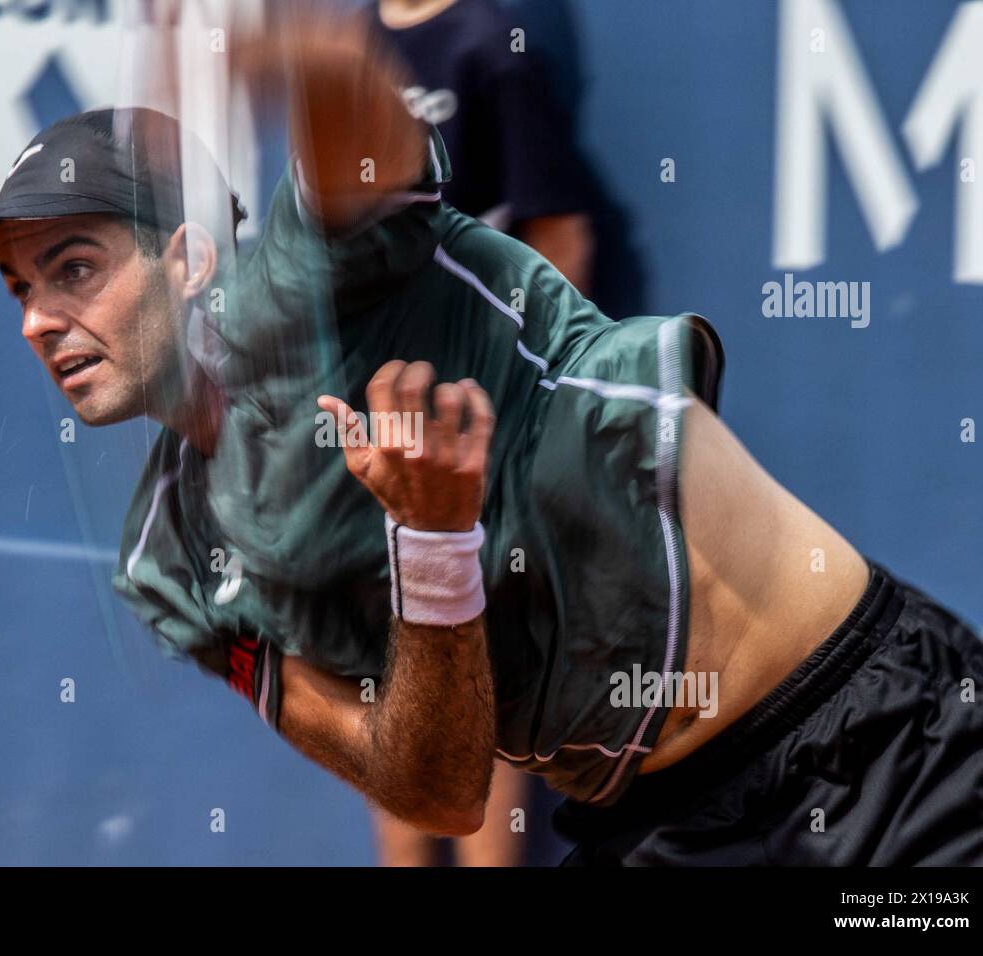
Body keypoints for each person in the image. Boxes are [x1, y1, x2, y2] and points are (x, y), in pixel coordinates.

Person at [0, 19, 983, 865]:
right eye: (21, 288)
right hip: (652, 828)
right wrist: (433, 550)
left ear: (192, 260)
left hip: (874, 739)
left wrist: (280, 42)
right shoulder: (172, 562)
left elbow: (368, 132)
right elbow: (434, 787)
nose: (34, 319)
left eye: (74, 268)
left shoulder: (320, 275)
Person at [366, 0, 603, 866]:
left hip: (479, 427)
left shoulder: (495, 50)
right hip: (377, 418)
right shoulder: (350, 42)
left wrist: (515, 404)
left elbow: (559, 235)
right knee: (386, 676)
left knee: (481, 683)